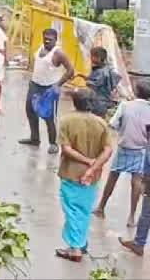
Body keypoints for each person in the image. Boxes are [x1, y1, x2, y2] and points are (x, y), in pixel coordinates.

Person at [56, 88, 114, 262]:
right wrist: (93, 166)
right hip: (92, 177)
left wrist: (86, 162)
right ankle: (80, 243)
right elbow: (108, 149)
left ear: (75, 102)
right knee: (84, 210)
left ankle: (75, 249)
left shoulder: (67, 121)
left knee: (72, 210)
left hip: (71, 172)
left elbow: (66, 149)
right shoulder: (101, 123)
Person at [101, 82, 150, 228]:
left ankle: (101, 207)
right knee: (136, 182)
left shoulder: (125, 106)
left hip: (124, 146)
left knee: (113, 176)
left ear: (136, 92)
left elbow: (113, 123)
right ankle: (131, 217)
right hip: (140, 149)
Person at [20, 28, 76, 155]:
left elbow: (71, 70)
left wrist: (57, 85)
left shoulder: (59, 53)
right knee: (30, 111)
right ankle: (35, 138)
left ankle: (53, 143)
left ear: (56, 40)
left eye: (50, 39)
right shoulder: (41, 47)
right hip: (35, 85)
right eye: (45, 38)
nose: (47, 41)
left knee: (49, 117)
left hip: (48, 89)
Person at [85, 46, 124, 117]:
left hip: (99, 103)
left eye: (91, 56)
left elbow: (94, 84)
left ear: (98, 58)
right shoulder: (105, 69)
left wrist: (86, 83)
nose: (90, 58)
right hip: (103, 101)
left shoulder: (102, 72)